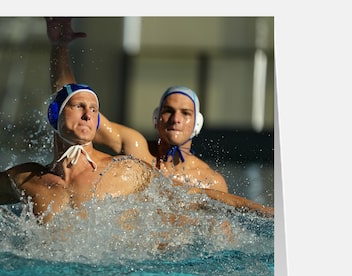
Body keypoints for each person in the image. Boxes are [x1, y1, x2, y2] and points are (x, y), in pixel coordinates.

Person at [0, 77, 154, 225]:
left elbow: (174, 196)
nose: (88, 114)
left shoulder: (126, 170)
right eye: (78, 106)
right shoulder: (28, 180)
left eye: (94, 109)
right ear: (55, 115)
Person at [46, 17, 230, 193]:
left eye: (186, 113)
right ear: (156, 118)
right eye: (168, 111)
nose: (176, 119)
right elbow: (71, 103)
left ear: (197, 123)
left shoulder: (210, 181)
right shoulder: (137, 149)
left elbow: (222, 226)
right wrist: (59, 46)